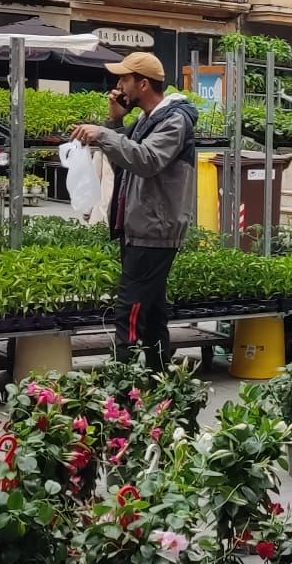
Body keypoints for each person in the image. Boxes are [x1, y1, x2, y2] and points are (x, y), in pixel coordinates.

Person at [71, 52, 198, 371]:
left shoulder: (174, 120)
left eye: (124, 79)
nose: (119, 85)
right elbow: (125, 163)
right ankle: (162, 382)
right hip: (140, 226)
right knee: (152, 313)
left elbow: (147, 160)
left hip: (155, 230)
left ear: (143, 84)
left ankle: (121, 384)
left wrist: (104, 133)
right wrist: (115, 122)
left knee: (129, 310)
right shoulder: (147, 118)